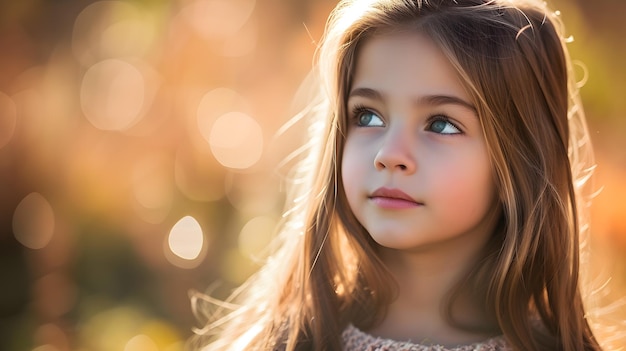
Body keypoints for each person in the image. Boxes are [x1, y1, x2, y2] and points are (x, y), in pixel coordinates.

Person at [191, 0, 605, 350]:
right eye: (368, 116)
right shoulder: (282, 342)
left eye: (441, 124)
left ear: (521, 155)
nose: (390, 155)